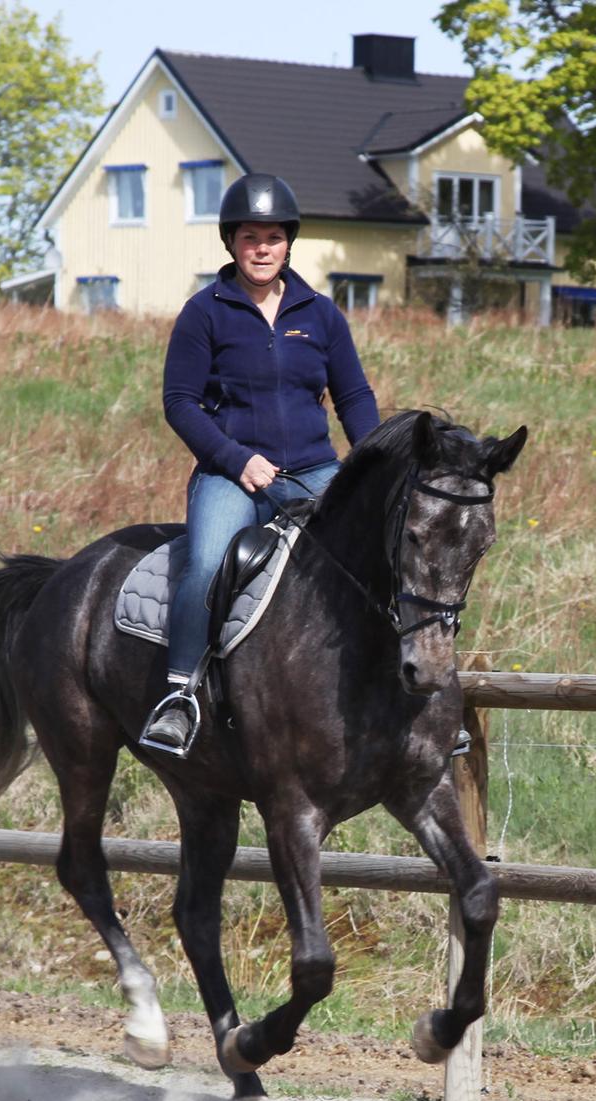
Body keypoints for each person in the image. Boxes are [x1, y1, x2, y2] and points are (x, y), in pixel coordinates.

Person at [143, 172, 379, 754]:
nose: (263, 248)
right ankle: (180, 695)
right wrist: (234, 458)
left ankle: (403, 693)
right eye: (251, 237)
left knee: (382, 556)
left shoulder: (321, 315)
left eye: (273, 237)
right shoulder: (205, 313)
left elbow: (353, 398)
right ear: (231, 243)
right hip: (231, 474)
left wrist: (372, 464)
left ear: (289, 242)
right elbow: (179, 403)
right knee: (206, 565)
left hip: (315, 470)